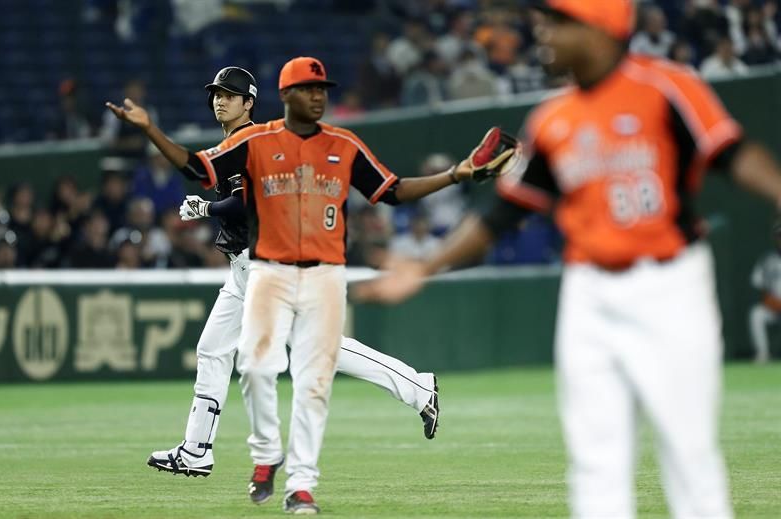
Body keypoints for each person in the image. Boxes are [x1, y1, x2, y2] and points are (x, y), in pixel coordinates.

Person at [355, 1, 781, 517]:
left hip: (670, 286)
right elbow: (500, 217)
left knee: (687, 451)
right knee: (596, 462)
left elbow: (733, 153)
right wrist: (424, 267)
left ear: (597, 28)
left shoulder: (666, 86)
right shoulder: (552, 118)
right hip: (589, 296)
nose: (542, 34)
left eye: (554, 22)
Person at [105, 60, 477, 514]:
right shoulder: (235, 143)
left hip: (268, 267)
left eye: (229, 94)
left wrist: (206, 208)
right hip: (242, 272)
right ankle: (197, 449)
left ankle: (417, 388)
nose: (219, 99)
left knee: (322, 350)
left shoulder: (263, 143)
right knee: (213, 350)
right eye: (215, 93)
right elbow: (201, 170)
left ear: (249, 102)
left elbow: (245, 202)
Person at [748, 223, 781, 363]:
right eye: (779, 236)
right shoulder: (767, 259)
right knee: (756, 314)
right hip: (773, 306)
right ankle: (763, 354)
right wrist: (772, 303)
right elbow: (761, 287)